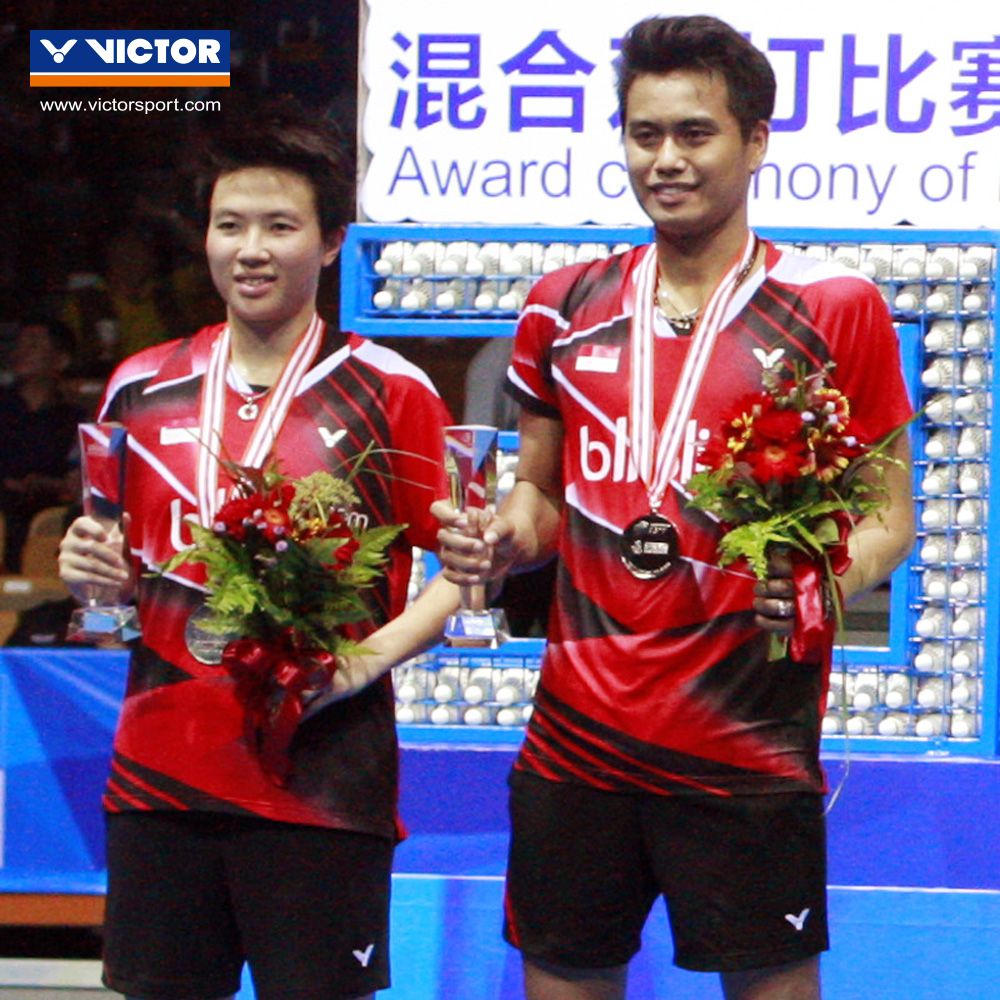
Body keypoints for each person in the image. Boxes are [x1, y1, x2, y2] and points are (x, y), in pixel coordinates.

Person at [434, 15, 914, 1000]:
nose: (665, 159)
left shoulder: (833, 307)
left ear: (755, 142)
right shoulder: (561, 306)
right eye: (643, 134)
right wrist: (501, 536)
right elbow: (542, 494)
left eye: (694, 133)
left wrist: (825, 579)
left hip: (746, 740)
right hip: (577, 737)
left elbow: (889, 518)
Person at [58, 98, 459, 1000]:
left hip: (321, 783)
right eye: (228, 224)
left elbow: (465, 573)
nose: (251, 249)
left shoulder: (387, 392)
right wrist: (89, 569)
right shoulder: (141, 385)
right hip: (162, 777)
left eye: (280, 226)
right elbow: (109, 570)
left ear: (328, 244)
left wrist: (365, 661)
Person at [0, 316, 84, 572]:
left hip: (49, 508)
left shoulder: (73, 419)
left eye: (35, 345)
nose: (22, 352)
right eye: (20, 344)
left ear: (61, 359)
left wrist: (44, 484)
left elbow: (77, 478)